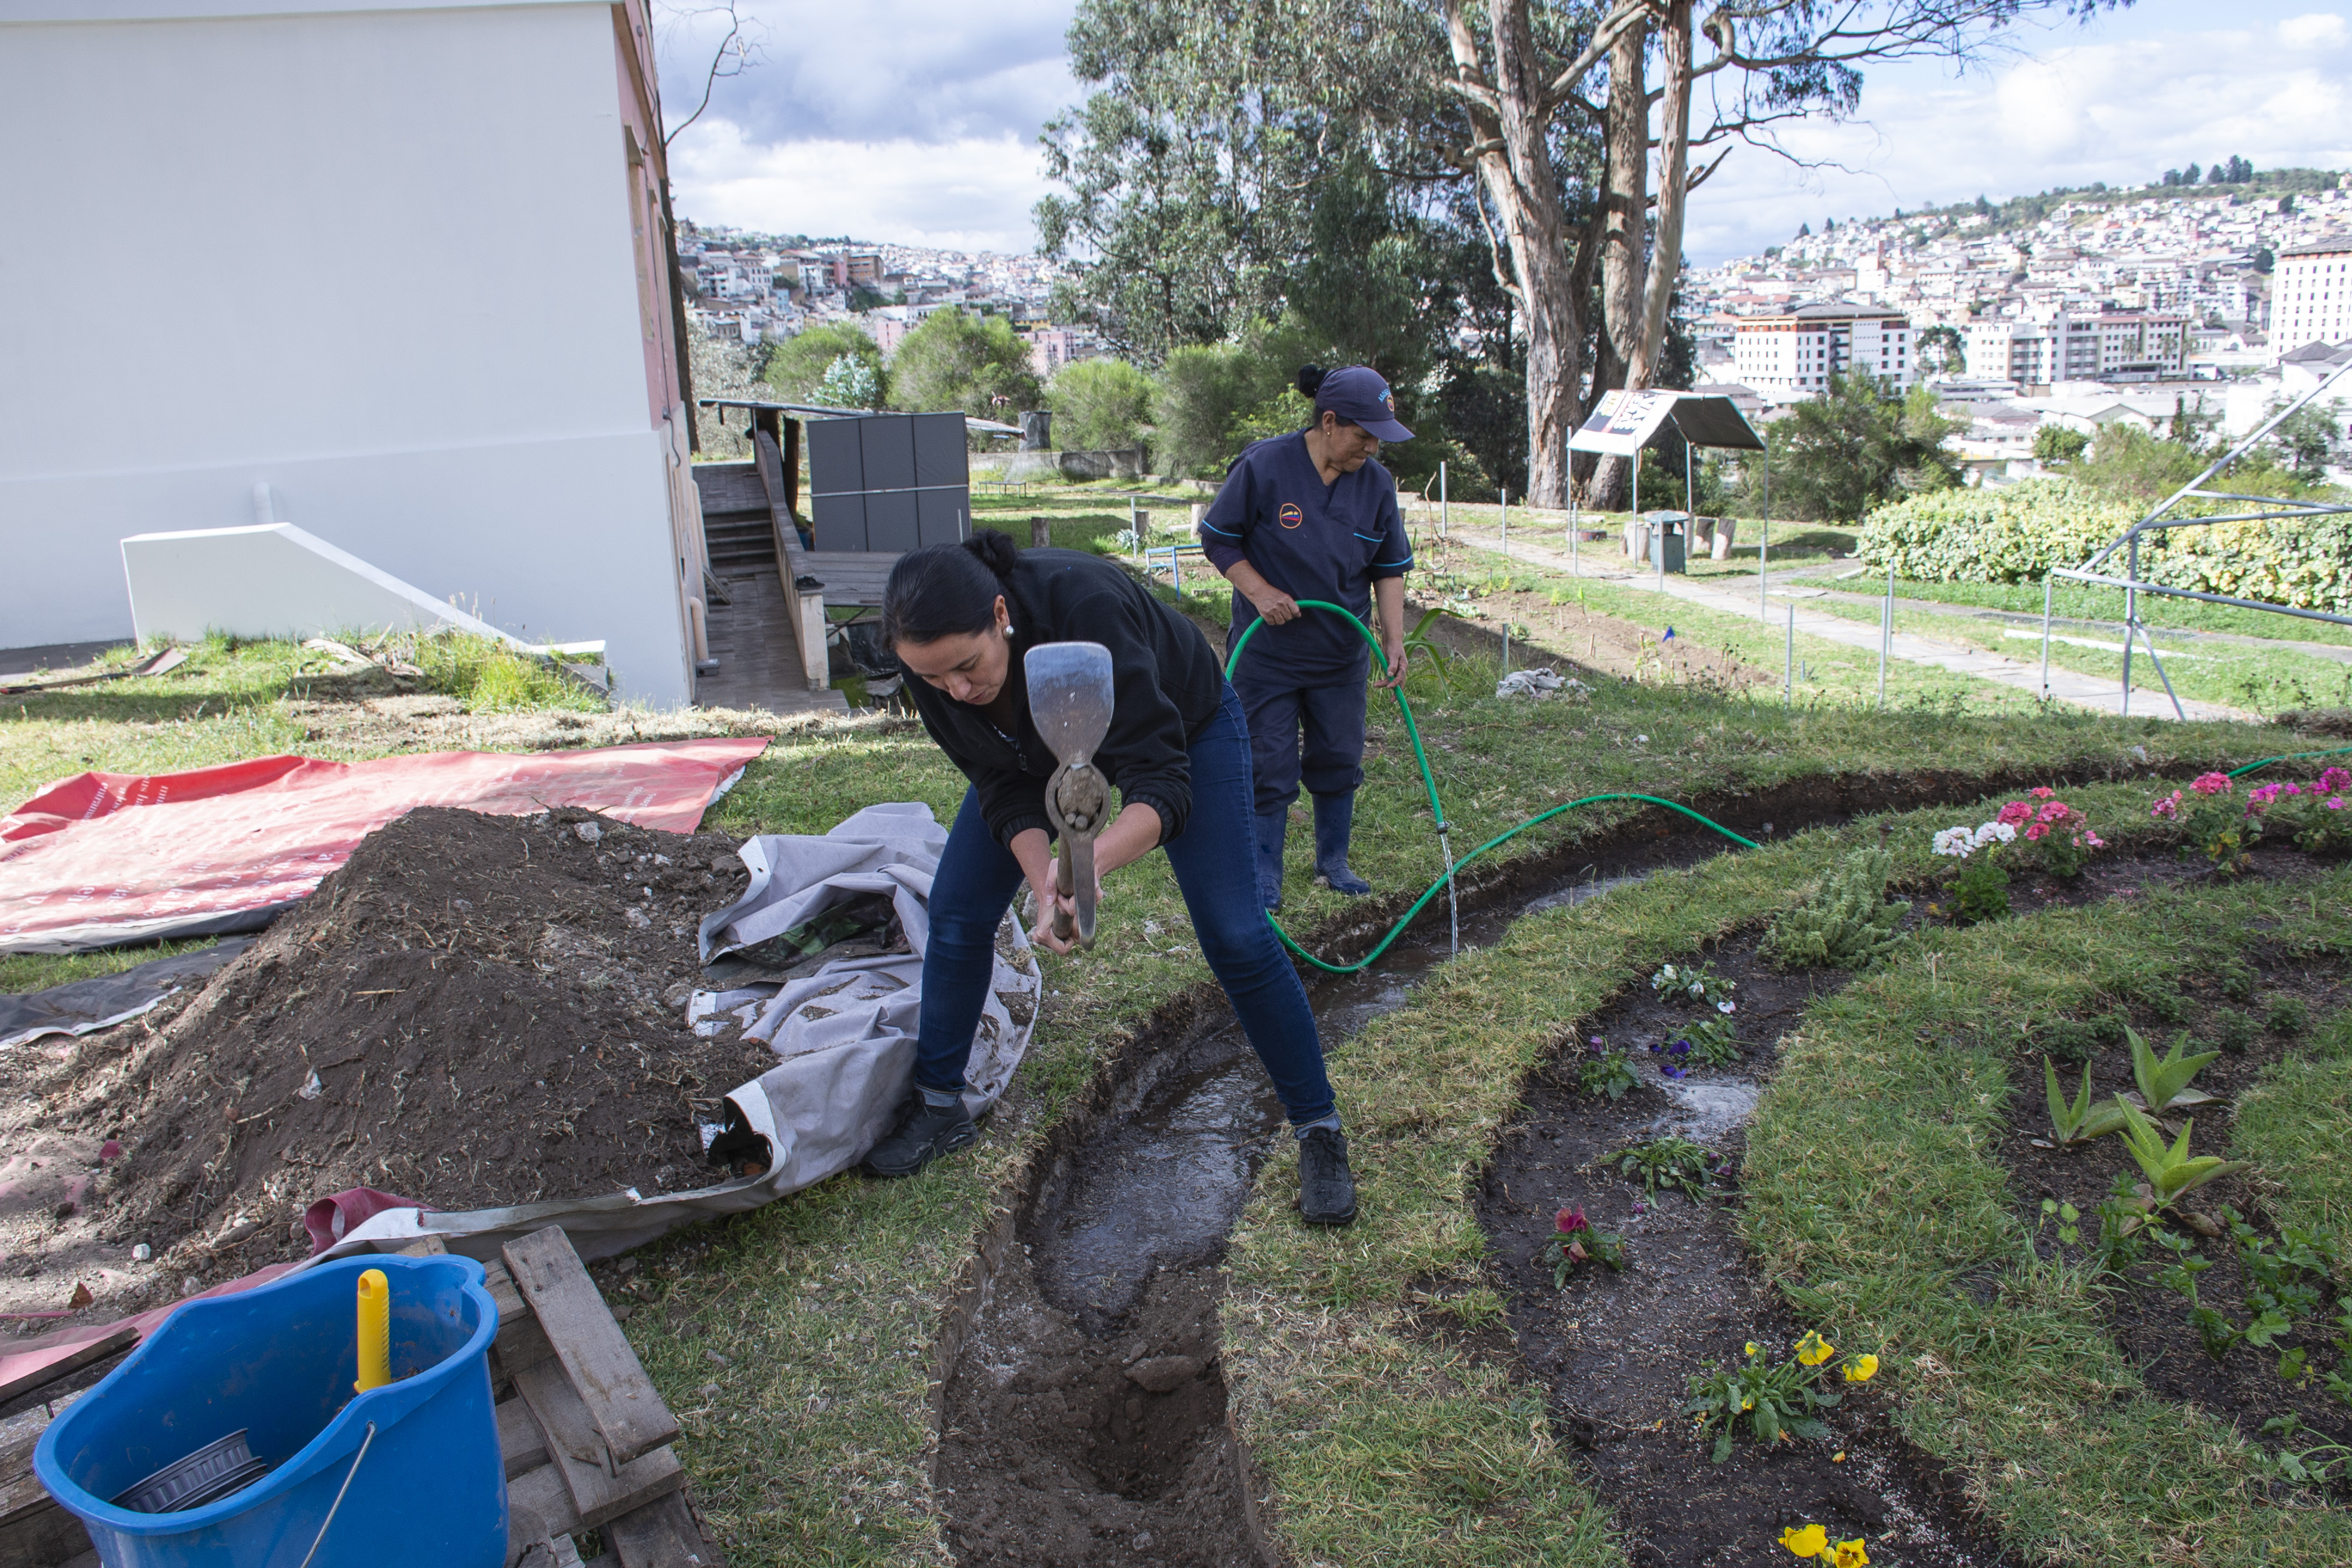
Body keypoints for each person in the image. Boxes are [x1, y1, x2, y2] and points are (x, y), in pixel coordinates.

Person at [859, 529, 1358, 1225]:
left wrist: (1086, 863)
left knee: (1237, 933)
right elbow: (998, 781)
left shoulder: (1086, 609)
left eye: (968, 667)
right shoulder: (932, 661)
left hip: (1184, 727)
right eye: (937, 678)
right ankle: (941, 1105)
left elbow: (1163, 783)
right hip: (1031, 754)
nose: (958, 689)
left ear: (1001, 613)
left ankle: (1318, 1127)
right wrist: (1046, 878)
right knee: (959, 908)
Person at [1199, 364, 1413, 911]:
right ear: (1329, 421)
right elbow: (1220, 539)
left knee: (1339, 754)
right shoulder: (1266, 466)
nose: (1371, 449)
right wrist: (1260, 592)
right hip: (1266, 655)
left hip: (1339, 652)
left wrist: (1393, 638)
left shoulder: (1377, 485)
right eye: (1363, 437)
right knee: (1267, 761)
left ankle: (1332, 861)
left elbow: (1390, 567)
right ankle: (1266, 874)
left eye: (1378, 440)